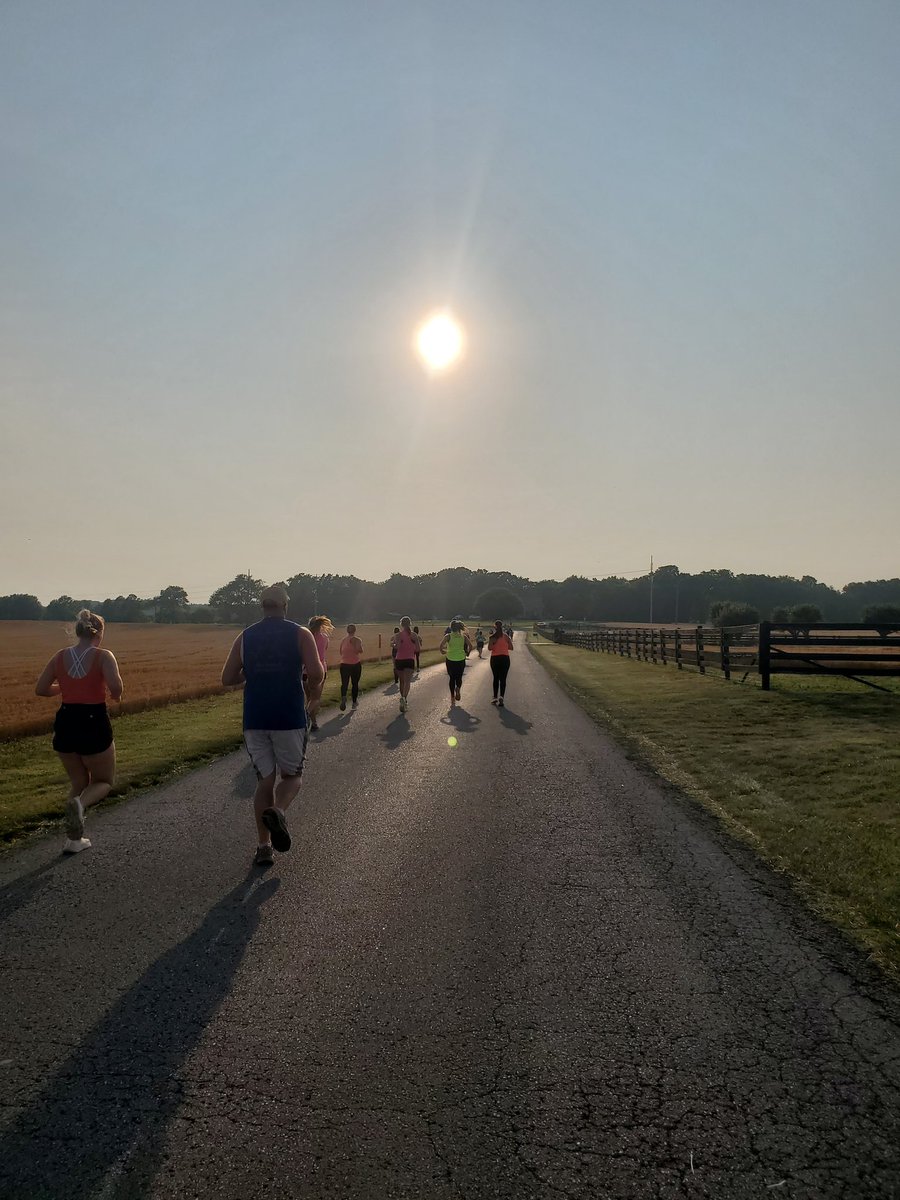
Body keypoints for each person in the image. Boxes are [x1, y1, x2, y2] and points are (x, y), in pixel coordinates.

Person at [222, 585, 324, 867]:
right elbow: (316, 672)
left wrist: (251, 674)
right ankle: (278, 811)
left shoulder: (246, 636)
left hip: (255, 717)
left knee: (264, 781)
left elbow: (227, 678)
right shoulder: (300, 634)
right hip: (289, 717)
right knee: (292, 777)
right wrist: (314, 686)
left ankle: (263, 846)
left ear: (262, 606)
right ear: (285, 606)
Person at [34, 608, 124, 854]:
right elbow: (116, 685)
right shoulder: (104, 655)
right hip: (93, 720)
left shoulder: (60, 656)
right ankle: (79, 804)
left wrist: (64, 688)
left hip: (65, 721)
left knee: (78, 781)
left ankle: (74, 840)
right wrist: (116, 695)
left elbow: (41, 689)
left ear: (78, 632)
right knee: (103, 781)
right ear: (99, 632)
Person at [306, 615, 333, 731]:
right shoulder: (325, 638)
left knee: (309, 699)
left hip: (304, 670)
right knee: (316, 699)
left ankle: (314, 723)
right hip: (319, 670)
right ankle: (304, 716)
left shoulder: (305, 637)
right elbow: (324, 650)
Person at [440, 620, 472, 706]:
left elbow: (441, 646)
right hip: (461, 659)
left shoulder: (448, 636)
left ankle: (452, 696)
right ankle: (458, 688)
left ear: (451, 627)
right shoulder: (464, 636)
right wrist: (467, 653)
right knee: (459, 677)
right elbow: (470, 646)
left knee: (452, 678)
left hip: (450, 659)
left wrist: (442, 651)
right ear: (459, 628)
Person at [393, 616, 421, 714]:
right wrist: (412, 645)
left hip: (399, 659)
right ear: (410, 624)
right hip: (409, 659)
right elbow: (418, 649)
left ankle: (402, 698)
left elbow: (397, 648)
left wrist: (395, 645)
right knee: (408, 681)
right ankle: (404, 698)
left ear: (401, 624)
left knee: (402, 681)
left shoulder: (397, 635)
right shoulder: (414, 635)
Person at [488, 619, 514, 707]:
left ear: (495, 627)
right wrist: (504, 646)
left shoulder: (492, 637)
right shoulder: (506, 636)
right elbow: (511, 647)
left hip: (495, 658)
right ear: (502, 627)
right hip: (505, 658)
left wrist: (495, 644)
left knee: (496, 678)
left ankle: (495, 697)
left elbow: (489, 648)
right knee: (503, 679)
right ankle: (501, 696)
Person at [338, 624, 364, 710]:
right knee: (355, 683)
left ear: (347, 631)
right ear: (355, 630)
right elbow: (359, 651)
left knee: (344, 683)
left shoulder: (343, 640)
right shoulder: (357, 640)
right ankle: (354, 702)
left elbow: (341, 652)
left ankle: (343, 697)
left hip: (344, 664)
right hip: (355, 664)